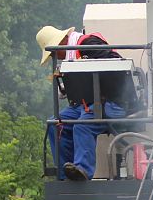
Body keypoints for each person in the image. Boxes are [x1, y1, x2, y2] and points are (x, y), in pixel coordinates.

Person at [35, 25, 127, 181]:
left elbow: (116, 63)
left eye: (53, 53)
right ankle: (65, 175)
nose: (56, 58)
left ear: (62, 42)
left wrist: (86, 66)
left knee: (82, 125)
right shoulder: (73, 53)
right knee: (55, 124)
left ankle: (82, 171)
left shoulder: (89, 43)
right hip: (87, 103)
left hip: (113, 102)